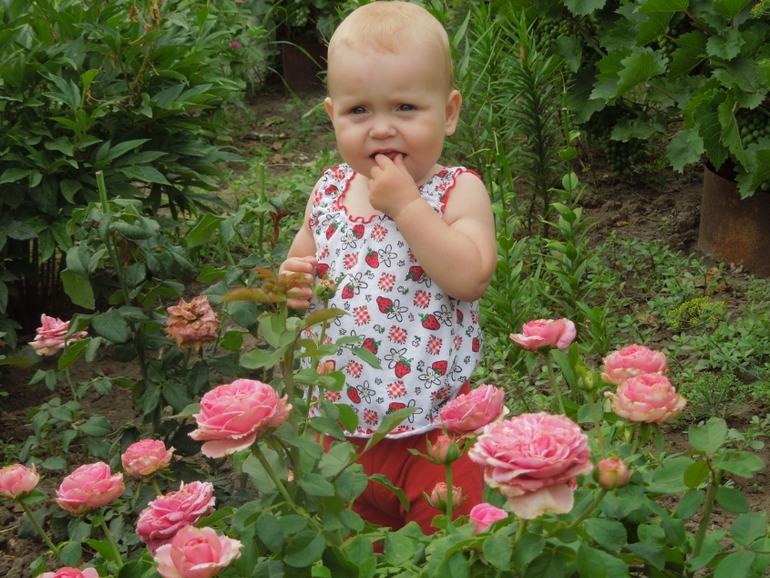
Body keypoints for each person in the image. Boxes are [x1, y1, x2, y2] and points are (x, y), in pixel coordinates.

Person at [279, 0, 497, 533]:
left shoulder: (456, 192)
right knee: (352, 546)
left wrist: (406, 206)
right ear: (332, 116)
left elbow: (470, 276)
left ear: (448, 112)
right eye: (359, 111)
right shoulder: (329, 190)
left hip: (436, 433)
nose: (381, 129)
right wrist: (292, 281)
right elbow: (300, 258)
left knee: (449, 543)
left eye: (404, 108)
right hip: (338, 426)